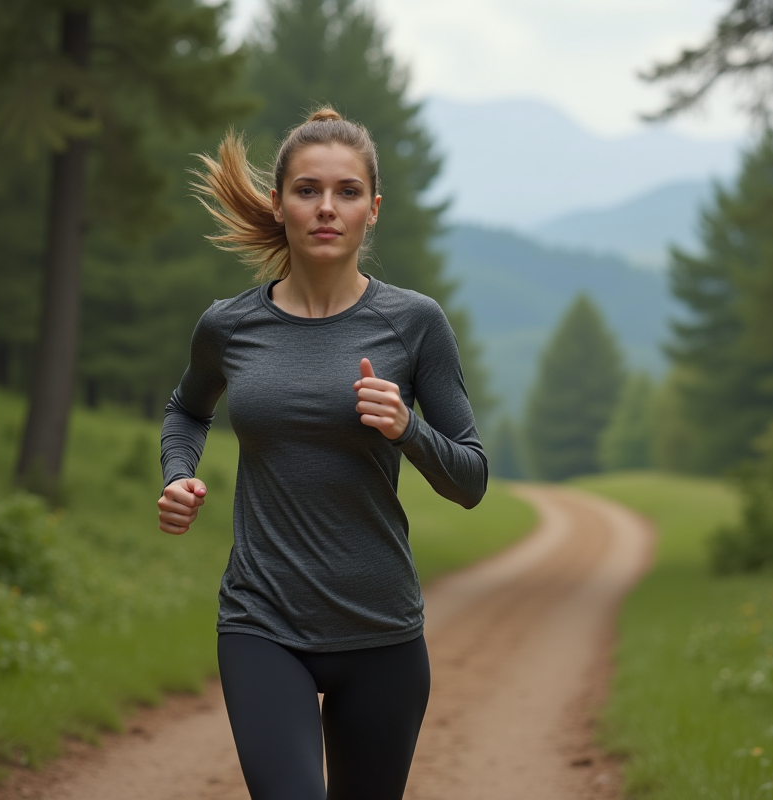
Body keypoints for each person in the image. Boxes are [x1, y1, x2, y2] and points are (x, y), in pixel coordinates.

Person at [157, 107, 487, 800]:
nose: (326, 208)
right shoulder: (230, 325)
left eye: (346, 192)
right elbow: (188, 409)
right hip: (261, 622)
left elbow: (471, 478)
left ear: (374, 208)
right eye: (307, 190)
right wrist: (179, 474)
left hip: (382, 634)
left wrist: (407, 429)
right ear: (278, 205)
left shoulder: (415, 323)